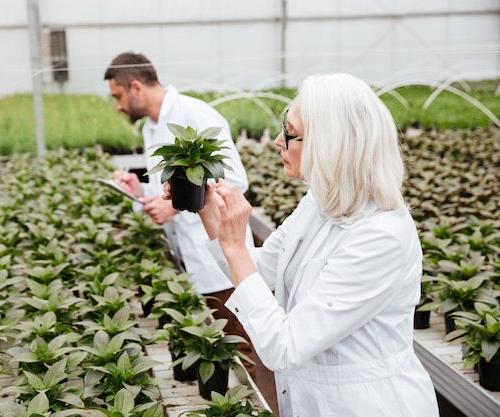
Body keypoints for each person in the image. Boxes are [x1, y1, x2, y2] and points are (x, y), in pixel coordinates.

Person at [191, 73, 441, 416]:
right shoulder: (319, 203)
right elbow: (262, 271)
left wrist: (235, 244)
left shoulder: (382, 236)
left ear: (331, 144)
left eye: (290, 132)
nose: (278, 140)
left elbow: (285, 347)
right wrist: (209, 212)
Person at [103, 52, 264, 384]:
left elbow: (235, 179)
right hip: (189, 259)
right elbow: (171, 185)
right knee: (211, 354)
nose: (117, 106)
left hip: (219, 258)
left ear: (135, 87)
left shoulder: (193, 113)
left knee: (237, 351)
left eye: (117, 96)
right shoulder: (152, 126)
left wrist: (175, 205)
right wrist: (140, 187)